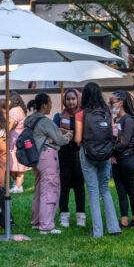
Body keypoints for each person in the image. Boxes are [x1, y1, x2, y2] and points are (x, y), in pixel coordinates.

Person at [79, 83, 123, 238]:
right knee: (105, 189)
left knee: (92, 190)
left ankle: (97, 231)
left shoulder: (82, 113)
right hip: (105, 153)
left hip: (88, 153)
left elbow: (78, 139)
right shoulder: (106, 111)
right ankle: (114, 228)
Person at [23, 93, 70, 234]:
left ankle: (36, 221)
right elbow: (60, 140)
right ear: (44, 105)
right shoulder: (45, 121)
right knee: (50, 190)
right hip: (47, 157)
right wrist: (67, 136)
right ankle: (47, 225)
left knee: (39, 190)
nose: (50, 106)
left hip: (35, 158)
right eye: (49, 103)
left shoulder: (30, 119)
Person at [53, 89, 85, 228]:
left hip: (79, 155)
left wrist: (72, 134)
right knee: (64, 187)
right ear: (64, 101)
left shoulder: (83, 116)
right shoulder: (59, 116)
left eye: (73, 99)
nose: (71, 102)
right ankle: (64, 215)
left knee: (79, 187)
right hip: (64, 155)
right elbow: (54, 133)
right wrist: (66, 133)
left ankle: (81, 216)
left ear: (78, 99)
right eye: (68, 99)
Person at [110, 91, 134, 229]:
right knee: (120, 190)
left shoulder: (128, 120)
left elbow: (124, 142)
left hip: (127, 159)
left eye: (112, 102)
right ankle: (123, 221)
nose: (110, 105)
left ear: (121, 102)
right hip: (117, 159)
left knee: (130, 189)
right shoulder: (117, 120)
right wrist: (112, 155)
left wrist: (110, 152)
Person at [7, 93, 29, 193]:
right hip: (19, 140)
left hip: (15, 141)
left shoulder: (14, 110)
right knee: (16, 165)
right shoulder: (20, 109)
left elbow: (10, 125)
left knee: (17, 165)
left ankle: (18, 186)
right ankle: (17, 183)